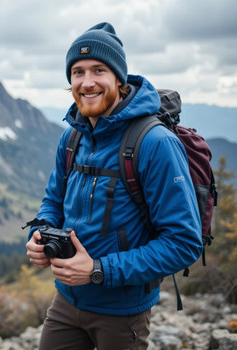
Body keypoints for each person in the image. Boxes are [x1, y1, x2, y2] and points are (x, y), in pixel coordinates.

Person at [25, 22, 203, 349]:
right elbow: (52, 201)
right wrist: (39, 235)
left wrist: (97, 270)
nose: (87, 82)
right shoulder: (72, 138)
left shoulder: (154, 143)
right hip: (67, 302)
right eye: (77, 72)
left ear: (119, 79)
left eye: (99, 70)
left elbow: (184, 243)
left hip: (123, 313)